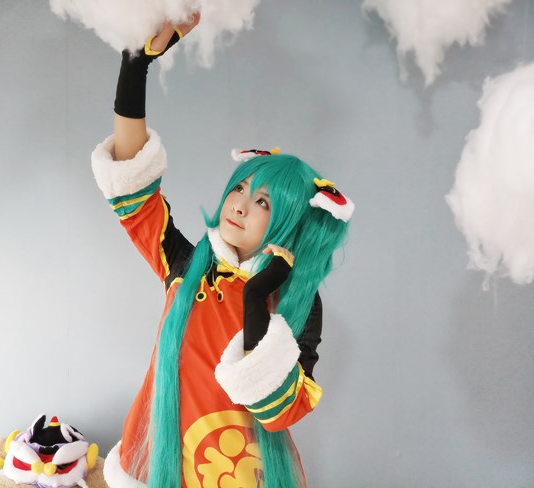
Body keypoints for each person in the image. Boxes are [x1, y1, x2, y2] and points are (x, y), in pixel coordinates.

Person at [91, 15, 353, 488]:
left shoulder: (298, 300)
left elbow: (280, 411)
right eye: (241, 188)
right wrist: (135, 64)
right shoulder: (187, 265)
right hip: (157, 462)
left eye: (264, 202)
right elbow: (131, 186)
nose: (240, 205)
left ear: (291, 223)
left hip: (240, 470)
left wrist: (256, 298)